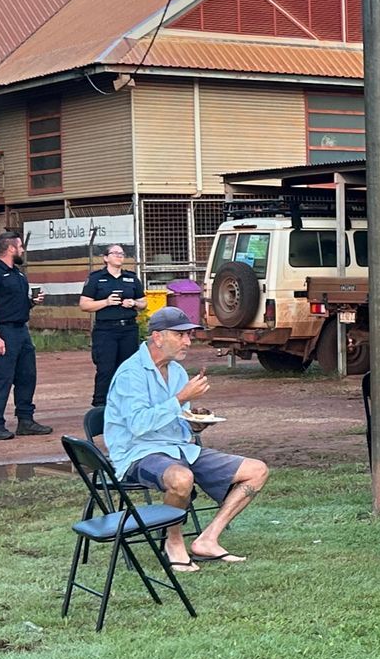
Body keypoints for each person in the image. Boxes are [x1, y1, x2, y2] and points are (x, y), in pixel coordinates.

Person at [104, 307, 269, 572]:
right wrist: (180, 398)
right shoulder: (130, 374)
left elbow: (178, 419)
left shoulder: (178, 372)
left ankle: (207, 539)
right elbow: (137, 425)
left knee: (257, 470)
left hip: (179, 448)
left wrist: (195, 423)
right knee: (181, 478)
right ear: (158, 337)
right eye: (181, 335)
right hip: (139, 453)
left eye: (189, 335)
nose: (188, 342)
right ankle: (174, 541)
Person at [0, 229, 51, 441]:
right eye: (20, 246)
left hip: (21, 331)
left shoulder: (17, 274)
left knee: (27, 376)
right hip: (3, 331)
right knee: (3, 379)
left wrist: (32, 302)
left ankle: (25, 421)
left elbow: (15, 304)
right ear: (10, 248)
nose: (22, 250)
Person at [79, 242, 144, 409]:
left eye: (122, 253)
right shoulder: (96, 278)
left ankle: (127, 404)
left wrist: (134, 302)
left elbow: (143, 302)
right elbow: (85, 305)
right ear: (106, 258)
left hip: (128, 329)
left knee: (128, 369)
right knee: (105, 369)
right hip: (106, 330)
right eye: (115, 253)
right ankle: (101, 406)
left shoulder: (131, 278)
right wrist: (106, 302)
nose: (119, 256)